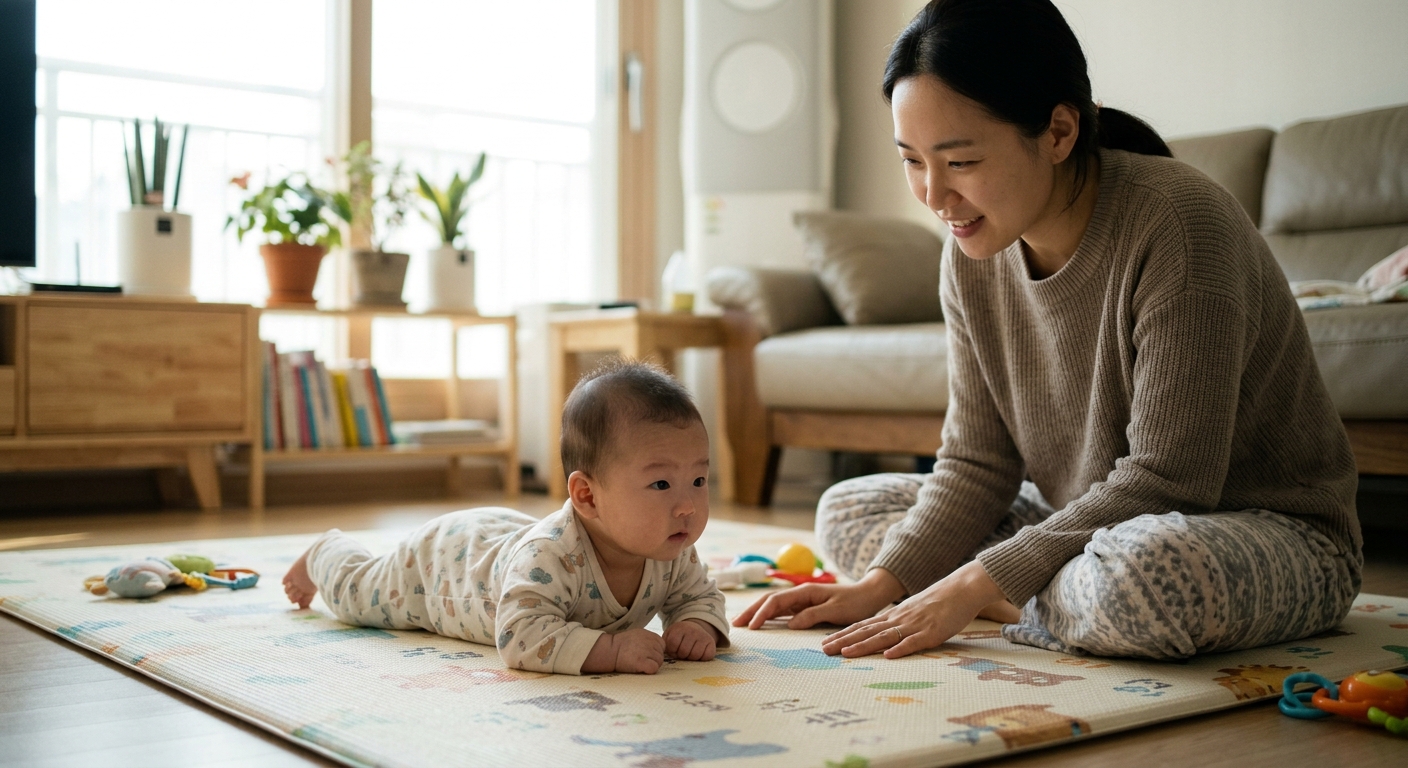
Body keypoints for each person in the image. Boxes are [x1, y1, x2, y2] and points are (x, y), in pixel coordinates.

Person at [735, 0, 1361, 662]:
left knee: (1141, 580)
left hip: (1260, 533)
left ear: (1059, 132)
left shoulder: (1181, 222)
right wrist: (881, 586)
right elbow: (977, 462)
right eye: (911, 161)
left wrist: (975, 581)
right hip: (1095, 522)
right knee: (850, 512)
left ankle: (1002, 597)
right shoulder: (970, 252)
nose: (934, 196)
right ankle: (1034, 599)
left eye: (960, 161)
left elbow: (1171, 481)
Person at [283, 360, 729, 675]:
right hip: (443, 566)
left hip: (505, 538)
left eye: (699, 480)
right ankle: (328, 551)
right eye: (661, 485)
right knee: (358, 597)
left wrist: (694, 625)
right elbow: (520, 635)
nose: (688, 505)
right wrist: (609, 649)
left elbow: (700, 597)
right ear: (587, 496)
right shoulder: (551, 556)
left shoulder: (670, 547)